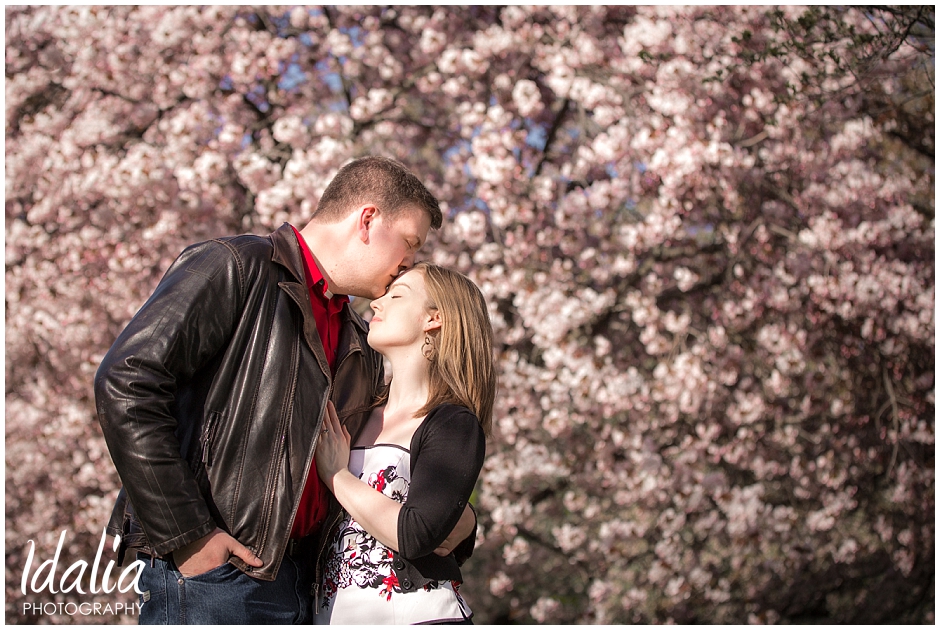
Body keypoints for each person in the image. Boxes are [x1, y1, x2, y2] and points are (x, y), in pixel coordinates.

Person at [94, 156, 476, 624]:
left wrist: (457, 520)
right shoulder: (236, 266)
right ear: (369, 219)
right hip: (220, 573)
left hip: (308, 585)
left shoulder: (361, 340)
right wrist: (190, 535)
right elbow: (128, 379)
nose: (409, 264)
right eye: (410, 243)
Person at [313, 262, 496, 624]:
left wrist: (337, 476)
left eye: (397, 295)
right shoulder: (355, 411)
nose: (378, 303)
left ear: (434, 319)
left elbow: (415, 534)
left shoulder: (453, 423)